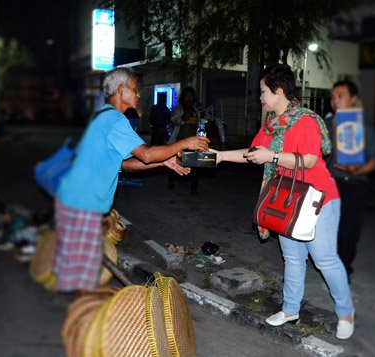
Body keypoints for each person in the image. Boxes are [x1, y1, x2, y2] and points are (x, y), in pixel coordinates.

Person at [210, 64, 355, 340]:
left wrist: (272, 157)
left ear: (278, 91)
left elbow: (311, 160)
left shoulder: (306, 121)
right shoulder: (272, 126)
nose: (260, 98)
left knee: (324, 259)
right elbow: (254, 153)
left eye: (264, 92)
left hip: (317, 198)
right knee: (292, 257)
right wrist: (221, 156)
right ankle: (290, 310)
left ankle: (346, 312)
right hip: (287, 197)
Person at [53, 67, 209, 294]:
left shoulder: (103, 116)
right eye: (135, 90)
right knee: (85, 279)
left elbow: (125, 163)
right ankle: (91, 317)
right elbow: (145, 154)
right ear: (121, 90)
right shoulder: (115, 120)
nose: (138, 95)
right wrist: (185, 143)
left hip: (77, 200)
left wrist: (163, 162)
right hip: (83, 204)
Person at [324, 80, 375, 281]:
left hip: (354, 184)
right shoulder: (327, 125)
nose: (335, 100)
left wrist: (357, 170)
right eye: (333, 97)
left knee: (349, 231)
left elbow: (374, 161)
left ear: (353, 99)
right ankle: (330, 266)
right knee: (328, 228)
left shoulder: (364, 128)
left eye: (340, 96)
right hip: (330, 183)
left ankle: (343, 268)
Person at [167, 86, 202, 195]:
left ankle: (193, 189)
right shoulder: (178, 109)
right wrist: (182, 118)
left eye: (191, 96)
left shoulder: (196, 111)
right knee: (176, 164)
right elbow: (173, 120)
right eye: (187, 96)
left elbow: (200, 124)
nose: (189, 98)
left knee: (196, 166)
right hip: (179, 142)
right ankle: (171, 181)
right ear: (183, 98)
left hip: (194, 144)